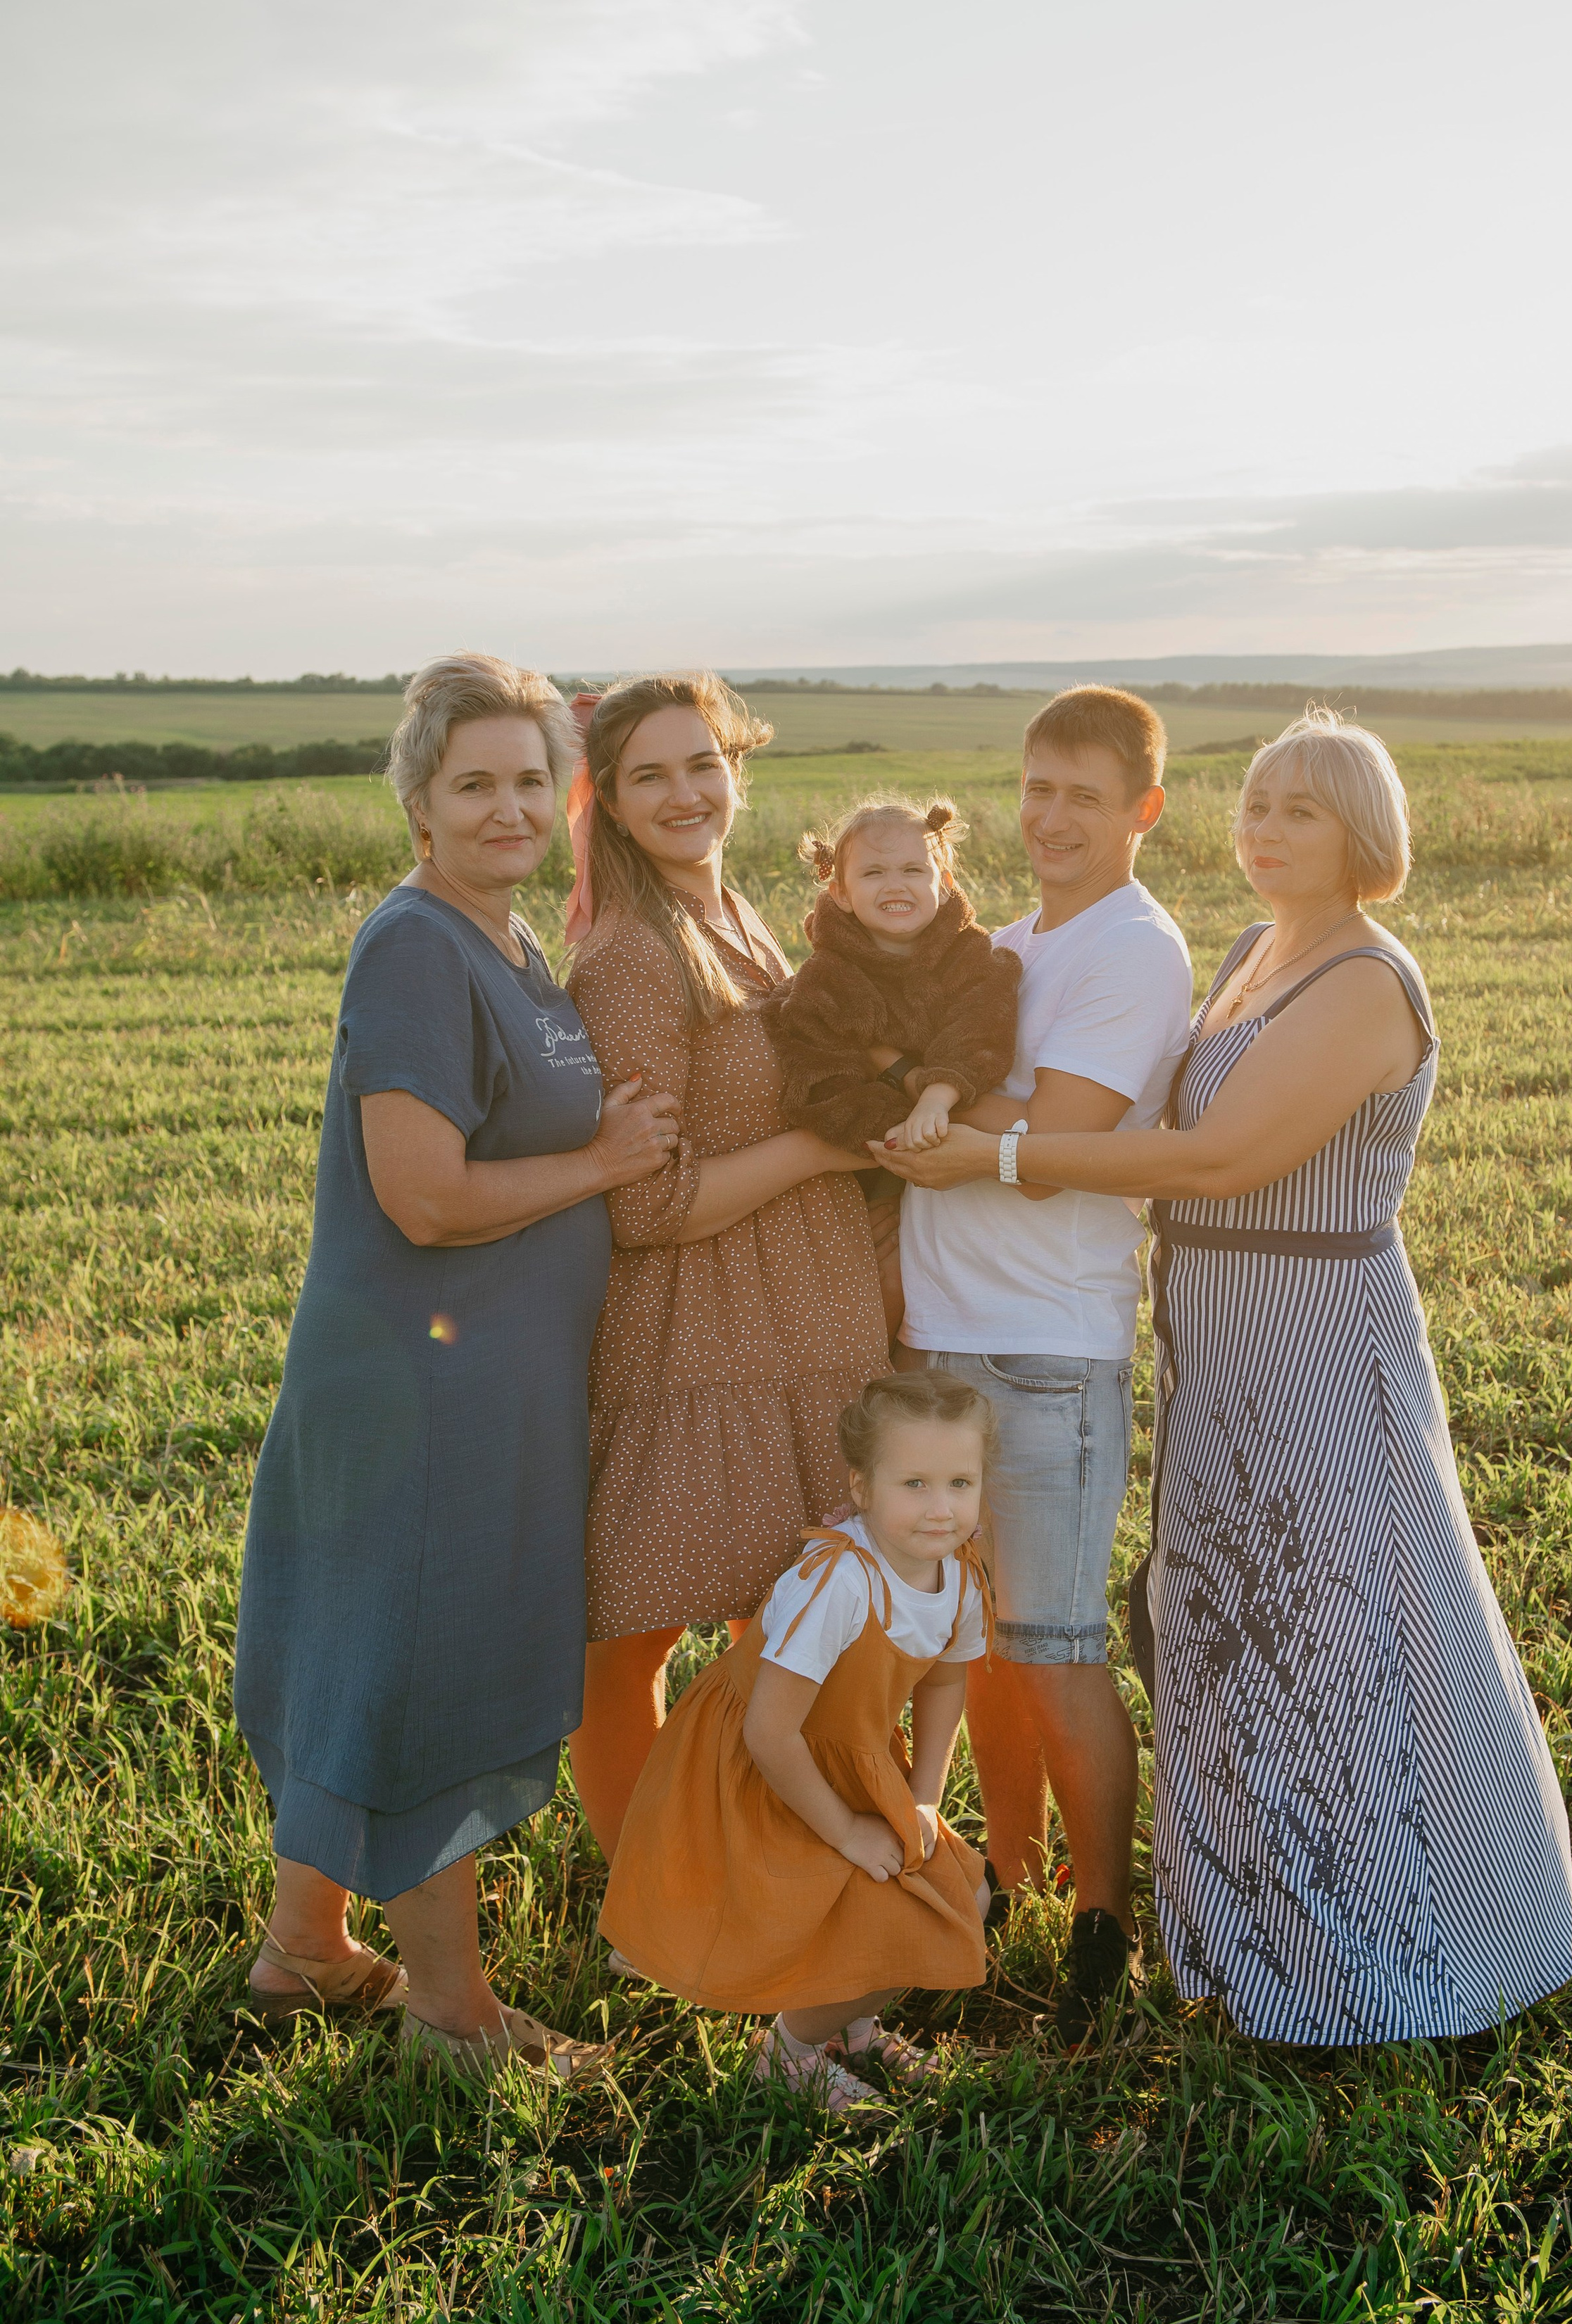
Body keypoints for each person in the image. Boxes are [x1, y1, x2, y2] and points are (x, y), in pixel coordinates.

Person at [884, 708, 1572, 2046]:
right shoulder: (1260, 952)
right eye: (1255, 805)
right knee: (1225, 1630)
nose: (1263, 832)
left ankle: (1400, 1954)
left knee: (1345, 1625)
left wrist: (1002, 1158)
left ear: (1362, 834)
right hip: (1217, 1331)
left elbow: (1215, 1160)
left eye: (1299, 812)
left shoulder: (1368, 979)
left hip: (1313, 1326)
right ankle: (1248, 1938)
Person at [234, 655, 681, 2081]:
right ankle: (451, 2014)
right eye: (473, 782)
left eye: (530, 781)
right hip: (427, 1388)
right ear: (417, 799)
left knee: (377, 1649)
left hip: (483, 1382)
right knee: (435, 1666)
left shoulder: (503, 941)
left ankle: (304, 1947)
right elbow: (421, 1192)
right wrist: (603, 1159)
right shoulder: (418, 943)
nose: (507, 807)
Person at [884, 686, 1195, 2043]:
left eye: (1084, 792)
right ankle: (999, 1876)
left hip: (1046, 1352)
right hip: (939, 1344)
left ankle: (1104, 1924)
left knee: (1056, 1649)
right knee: (977, 1645)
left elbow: (1064, 1123)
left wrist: (947, 1114)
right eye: (1036, 787)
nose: (1052, 816)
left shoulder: (1134, 947)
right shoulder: (1004, 943)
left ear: (1143, 807)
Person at [562, 674, 893, 1859]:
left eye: (702, 763)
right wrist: (816, 1145)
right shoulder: (631, 959)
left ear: (738, 769)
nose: (685, 792)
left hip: (812, 1317)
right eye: (649, 773)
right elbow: (643, 1199)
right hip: (699, 1332)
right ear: (605, 796)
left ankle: (792, 1876)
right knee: (633, 1633)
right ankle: (651, 1893)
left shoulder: (741, 916)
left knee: (814, 1621)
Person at [599, 1370, 993, 2112]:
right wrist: (845, 1829)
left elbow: (943, 1682)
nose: (941, 1508)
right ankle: (791, 2049)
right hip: (759, 1768)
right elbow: (768, 1730)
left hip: (849, 1757)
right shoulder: (837, 1581)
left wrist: (924, 1796)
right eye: (913, 1482)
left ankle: (852, 2024)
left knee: (959, 1891)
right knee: (869, 1905)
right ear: (863, 1486)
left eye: (959, 1482)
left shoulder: (961, 1576)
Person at [762, 795, 1020, 1335]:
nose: (895, 885)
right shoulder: (827, 980)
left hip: (964, 1169)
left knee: (944, 1287)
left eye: (913, 869)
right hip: (866, 1168)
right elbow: (818, 1076)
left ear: (943, 880)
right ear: (841, 893)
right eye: (873, 872)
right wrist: (897, 1127)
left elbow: (980, 1032)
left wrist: (938, 1092)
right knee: (880, 1294)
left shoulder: (973, 958)